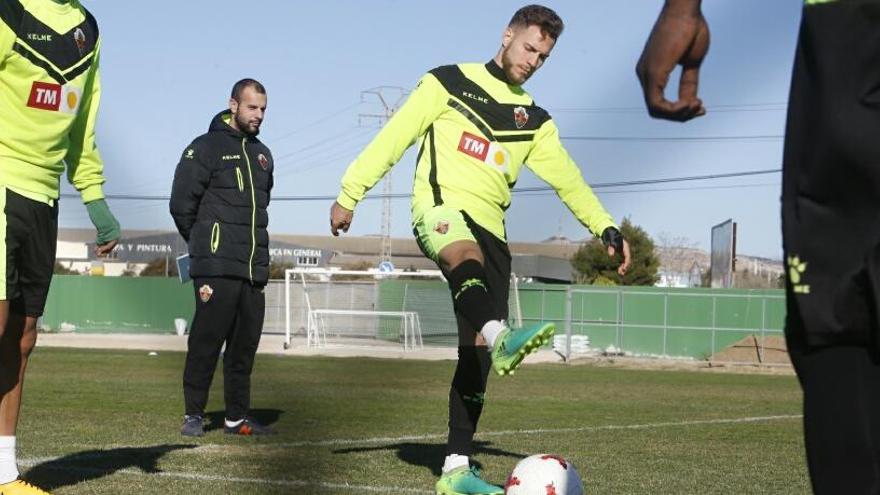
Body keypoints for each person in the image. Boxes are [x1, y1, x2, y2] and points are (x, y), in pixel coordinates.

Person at [330, 5, 631, 493]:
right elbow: (395, 137)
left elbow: (569, 180)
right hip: (442, 210)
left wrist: (605, 227)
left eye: (543, 56)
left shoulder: (533, 118)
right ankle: (502, 334)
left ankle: (454, 470)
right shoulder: (447, 83)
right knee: (462, 259)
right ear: (508, 35)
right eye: (529, 47)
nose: (533, 60)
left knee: (473, 360)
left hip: (495, 234)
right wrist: (351, 193)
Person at [638, 1, 880, 493]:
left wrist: (682, 7)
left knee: (840, 326)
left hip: (850, 43)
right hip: (847, 39)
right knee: (838, 326)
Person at [0, 0, 120, 493]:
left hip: (44, 196)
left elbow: (82, 127)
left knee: (23, 338)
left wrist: (94, 199)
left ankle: (4, 472)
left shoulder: (87, 31)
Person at [170, 79, 275, 438]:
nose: (258, 115)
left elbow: (261, 208)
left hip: (253, 270)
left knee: (243, 349)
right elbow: (181, 205)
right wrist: (205, 244)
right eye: (251, 107)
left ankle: (236, 418)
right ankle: (193, 415)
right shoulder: (204, 148)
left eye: (263, 108)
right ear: (233, 105)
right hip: (215, 266)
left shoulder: (263, 155)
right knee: (205, 341)